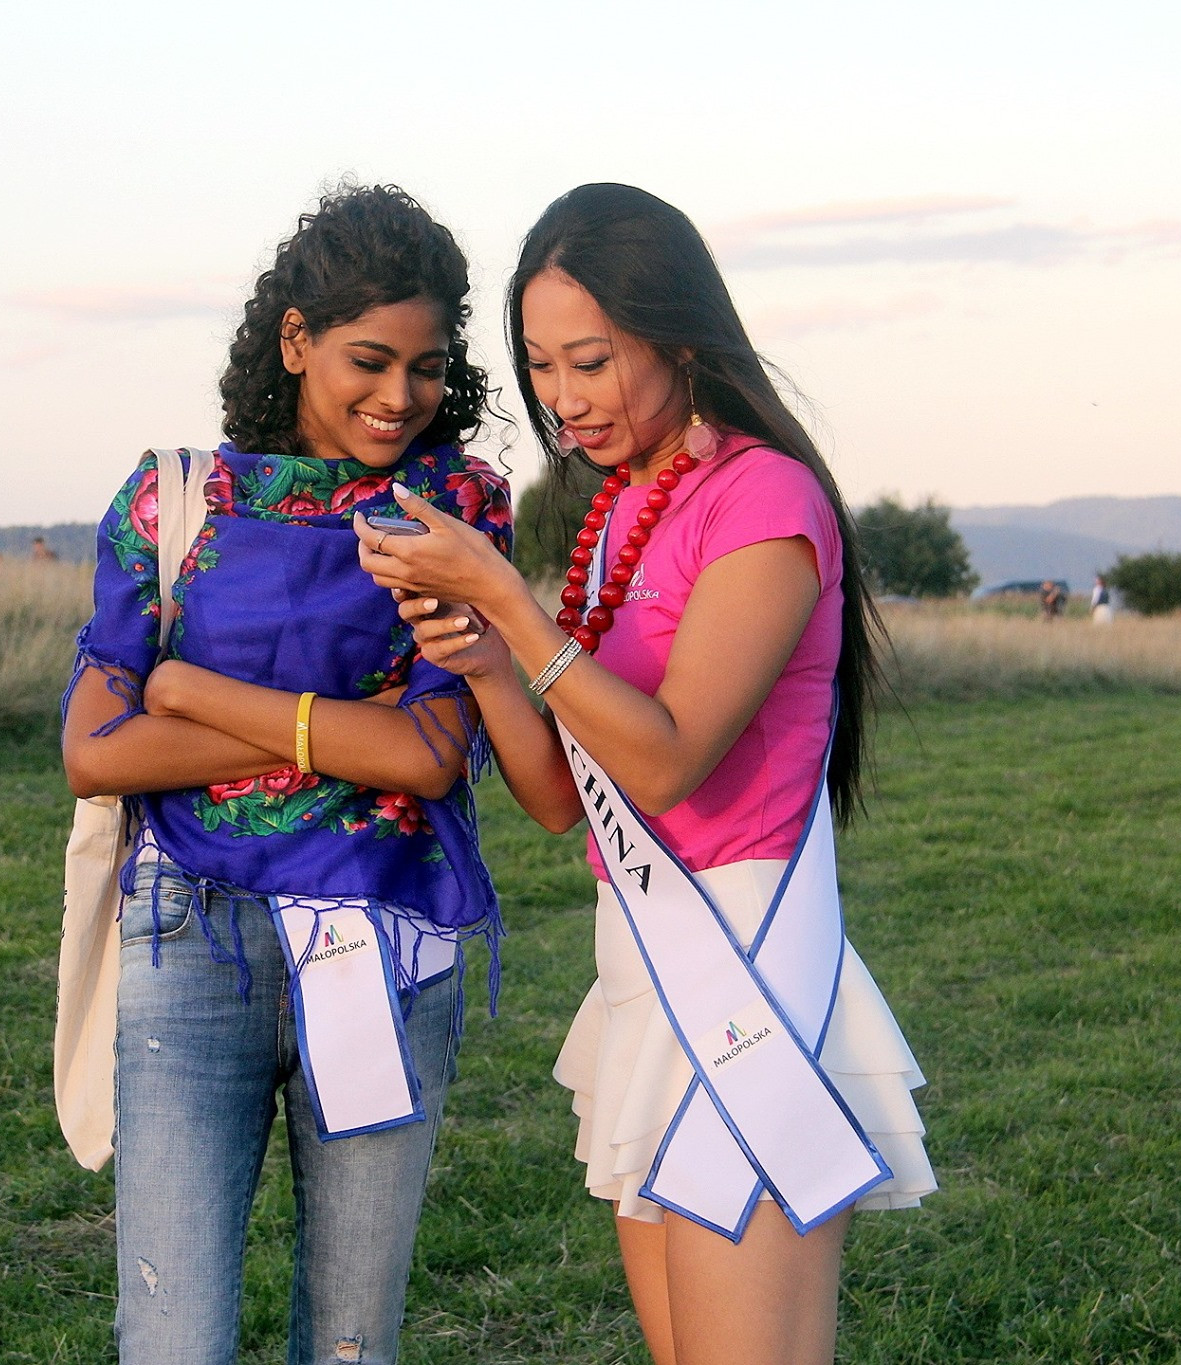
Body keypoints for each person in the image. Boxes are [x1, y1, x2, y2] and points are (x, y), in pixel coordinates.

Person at [357, 183, 933, 1365]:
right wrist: (478, 658)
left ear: (676, 338)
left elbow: (666, 762)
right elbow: (565, 795)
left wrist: (509, 603)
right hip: (643, 983)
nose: (563, 402)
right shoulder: (621, 511)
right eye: (540, 366)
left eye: (592, 361)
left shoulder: (763, 500)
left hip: (742, 977)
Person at [59, 184, 512, 1365]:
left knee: (352, 1341)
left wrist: (191, 693)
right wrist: (342, 726)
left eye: (426, 367)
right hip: (187, 938)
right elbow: (92, 756)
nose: (398, 396)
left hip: (386, 945)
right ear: (296, 339)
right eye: (369, 358)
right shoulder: (169, 500)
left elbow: (428, 751)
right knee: (171, 1334)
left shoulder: (454, 509)